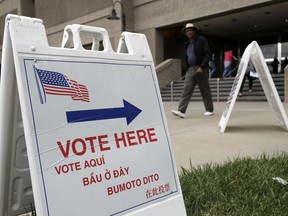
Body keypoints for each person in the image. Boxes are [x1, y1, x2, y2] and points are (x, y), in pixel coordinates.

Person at [171, 23, 214, 118]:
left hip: (200, 68)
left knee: (204, 90)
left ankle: (209, 109)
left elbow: (207, 54)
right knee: (186, 89)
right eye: (187, 31)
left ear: (194, 31)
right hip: (190, 70)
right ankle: (181, 111)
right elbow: (187, 57)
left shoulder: (201, 40)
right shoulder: (187, 44)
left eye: (190, 30)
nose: (189, 32)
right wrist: (186, 68)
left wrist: (202, 67)